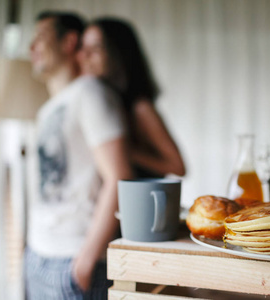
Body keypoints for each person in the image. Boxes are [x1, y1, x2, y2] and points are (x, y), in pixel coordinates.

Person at [26, 11, 133, 299]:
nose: (31, 47)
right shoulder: (47, 109)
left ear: (69, 41)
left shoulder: (90, 92)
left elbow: (119, 177)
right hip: (37, 255)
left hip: (73, 262)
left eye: (41, 37)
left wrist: (85, 260)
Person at [78, 17, 186, 178]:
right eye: (83, 47)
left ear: (118, 53)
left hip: (140, 199)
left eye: (96, 48)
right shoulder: (95, 101)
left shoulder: (140, 107)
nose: (84, 56)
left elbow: (178, 167)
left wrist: (122, 150)